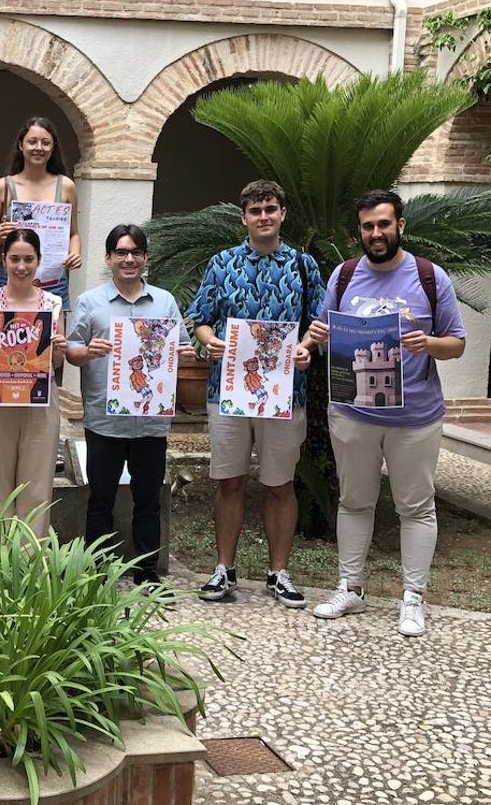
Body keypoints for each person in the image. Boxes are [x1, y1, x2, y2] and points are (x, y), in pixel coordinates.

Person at [306, 189, 465, 636]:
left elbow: (457, 343)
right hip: (353, 414)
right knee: (354, 501)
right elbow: (324, 335)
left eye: (383, 224)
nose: (376, 233)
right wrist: (317, 335)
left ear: (400, 225)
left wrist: (427, 343)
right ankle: (350, 587)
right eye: (367, 226)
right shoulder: (344, 275)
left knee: (416, 507)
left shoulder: (431, 277)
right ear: (359, 230)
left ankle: (413, 598)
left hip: (415, 417)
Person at [186, 179, 323, 608]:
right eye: (255, 210)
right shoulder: (222, 263)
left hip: (285, 393)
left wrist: (306, 348)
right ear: (244, 217)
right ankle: (224, 570)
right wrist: (210, 341)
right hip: (227, 391)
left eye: (270, 209)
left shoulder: (303, 266)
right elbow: (201, 318)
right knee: (230, 481)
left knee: (280, 484)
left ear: (283, 213)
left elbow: (319, 322)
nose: (263, 216)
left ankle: (278, 572)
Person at [66, 225, 193, 587]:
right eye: (121, 252)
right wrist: (87, 352)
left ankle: (148, 575)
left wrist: (181, 355)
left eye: (136, 252)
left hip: (151, 422)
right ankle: (98, 575)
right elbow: (71, 352)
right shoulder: (91, 302)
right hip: (105, 420)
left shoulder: (165, 301)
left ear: (145, 258)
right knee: (101, 500)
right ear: (108, 258)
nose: (129, 259)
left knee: (148, 500)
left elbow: (181, 349)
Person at [0, 228, 66, 535]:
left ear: (38, 261)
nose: (21, 266)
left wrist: (60, 350)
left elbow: (57, 364)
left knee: (37, 486)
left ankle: (32, 565)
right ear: (3, 260)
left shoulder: (52, 304)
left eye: (28, 259)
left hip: (39, 402)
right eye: (14, 259)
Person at [0, 116, 82, 314]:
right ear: (21, 145)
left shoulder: (66, 187)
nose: (39, 147)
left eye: (46, 143)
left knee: (52, 343)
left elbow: (73, 233)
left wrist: (75, 253)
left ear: (53, 148)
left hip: (54, 281)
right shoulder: (3, 187)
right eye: (32, 141)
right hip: (12, 279)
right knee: (9, 341)